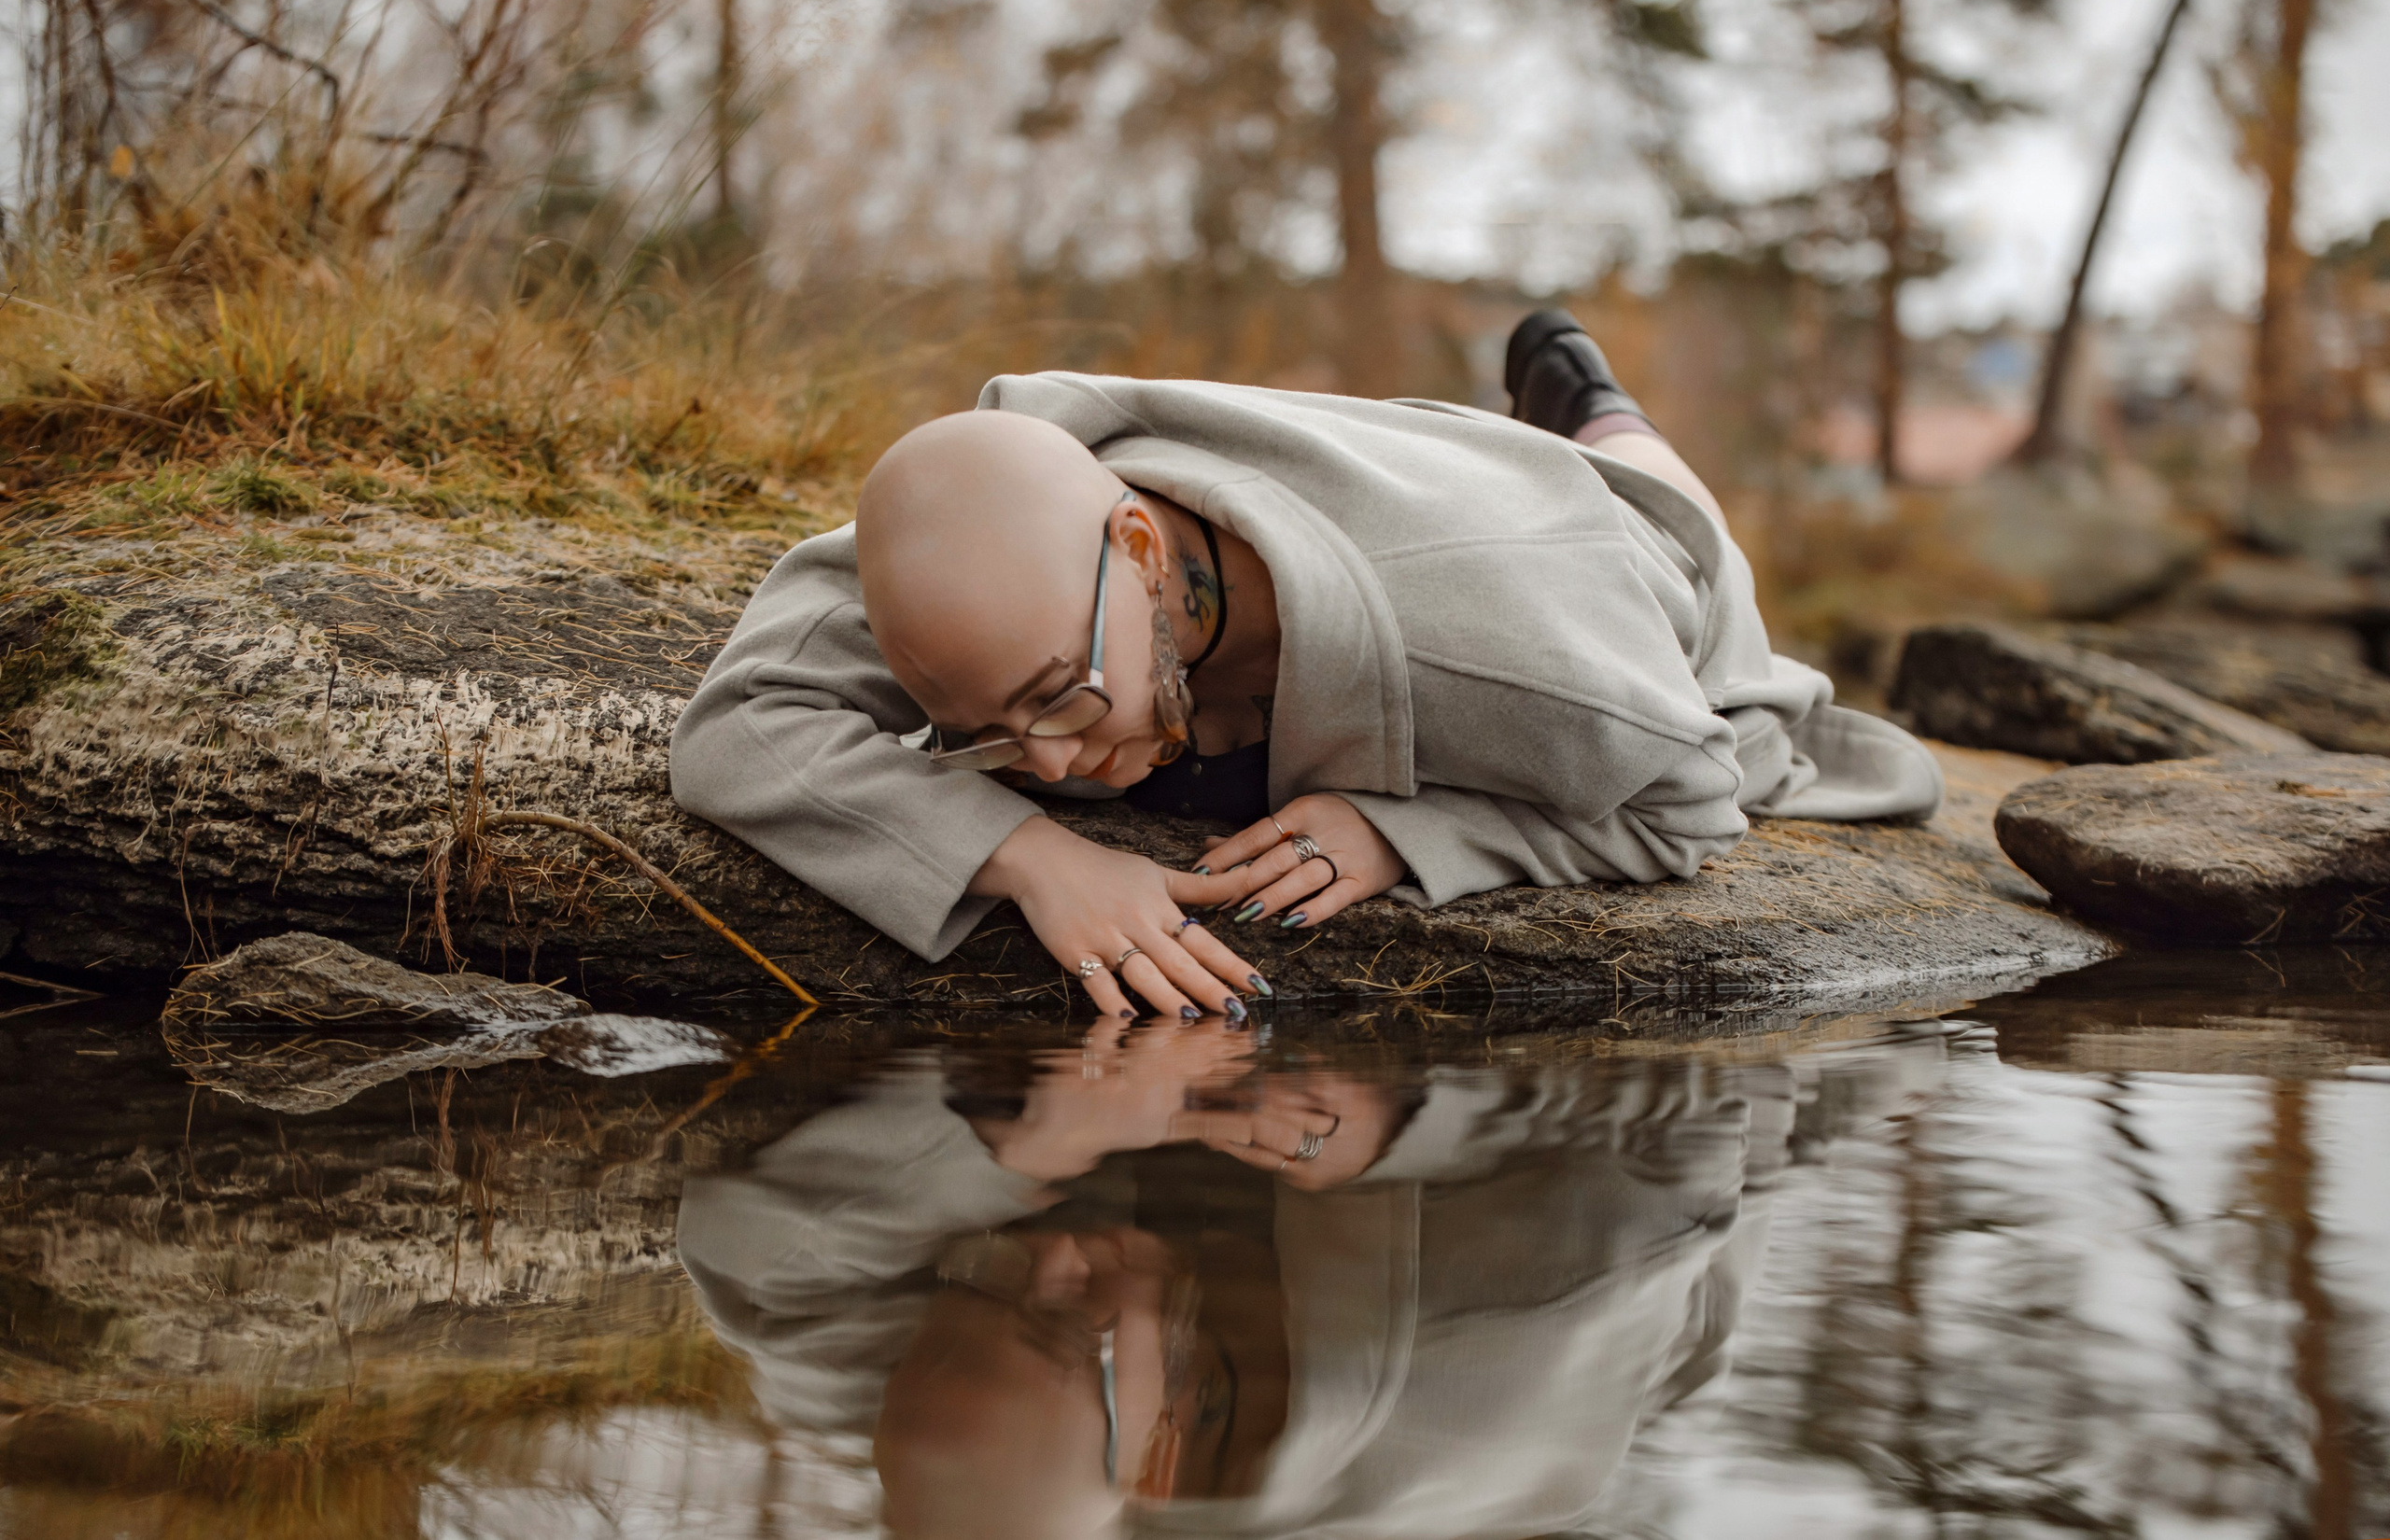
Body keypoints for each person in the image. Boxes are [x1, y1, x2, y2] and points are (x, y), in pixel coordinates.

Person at [670, 311, 1943, 1018]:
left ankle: (1599, 410)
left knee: (1667, 508)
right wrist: (1030, 853)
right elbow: (739, 726)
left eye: (1058, 697)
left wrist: (1427, 831)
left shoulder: (1537, 664)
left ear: (1138, 541)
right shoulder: (997, 515)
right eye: (994, 733)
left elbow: (1694, 801)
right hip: (1362, 463)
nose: (1048, 757)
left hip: (1586, 545)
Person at [674, 1022, 1816, 1536]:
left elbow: (745, 1247)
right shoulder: (1485, 1366)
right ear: (1160, 1454)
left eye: (978, 1280)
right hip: (1683, 1240)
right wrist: (1415, 1122)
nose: (1043, 1252)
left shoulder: (926, 1427)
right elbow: (1705, 1111)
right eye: (1066, 1322)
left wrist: (1024, 1147)